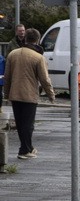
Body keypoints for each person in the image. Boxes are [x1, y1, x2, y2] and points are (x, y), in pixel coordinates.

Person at [3, 28, 56, 160]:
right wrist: (51, 94)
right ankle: (25, 150)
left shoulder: (13, 54)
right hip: (29, 94)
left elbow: (7, 76)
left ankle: (28, 147)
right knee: (28, 124)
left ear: (25, 38)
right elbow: (44, 79)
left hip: (15, 94)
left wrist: (7, 93)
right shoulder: (38, 57)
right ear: (37, 40)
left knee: (20, 123)